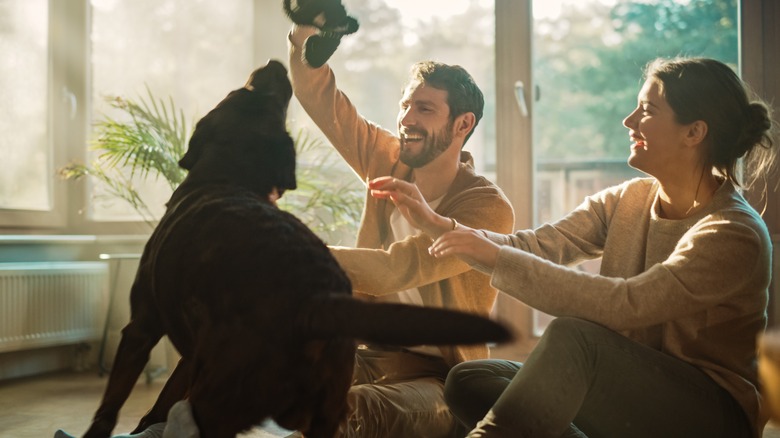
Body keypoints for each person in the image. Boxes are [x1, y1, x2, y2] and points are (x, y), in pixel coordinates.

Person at [370, 56, 777, 438]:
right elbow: (537, 246)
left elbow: (625, 304)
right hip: (628, 394)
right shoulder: (628, 199)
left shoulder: (732, 231)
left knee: (574, 337)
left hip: (711, 416)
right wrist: (442, 225)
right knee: (469, 378)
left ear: (694, 132)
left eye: (647, 111)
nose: (628, 120)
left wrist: (493, 256)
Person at [286, 23, 515, 438]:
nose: (406, 118)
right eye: (405, 105)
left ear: (462, 124)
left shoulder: (487, 208)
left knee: (351, 409)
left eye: (424, 109)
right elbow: (323, 102)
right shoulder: (388, 159)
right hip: (369, 352)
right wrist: (306, 42)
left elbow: (399, 269)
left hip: (443, 381)